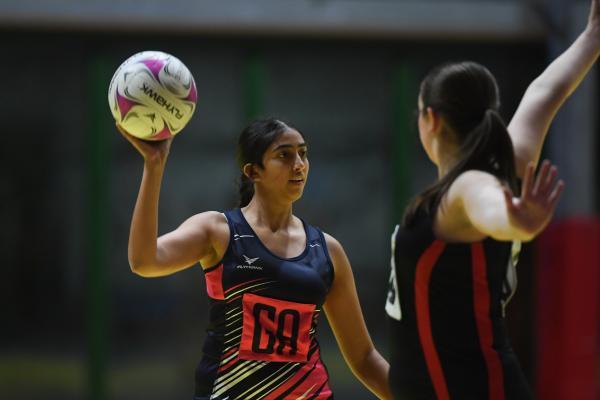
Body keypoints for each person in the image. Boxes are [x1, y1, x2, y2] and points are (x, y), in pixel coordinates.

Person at [385, 1, 600, 399]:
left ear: (430, 119)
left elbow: (489, 206)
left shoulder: (467, 187)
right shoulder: (507, 161)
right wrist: (591, 38)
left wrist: (517, 222)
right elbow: (544, 91)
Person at [118, 118, 391, 400]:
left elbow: (365, 358)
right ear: (253, 171)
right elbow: (144, 260)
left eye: (303, 153)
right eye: (284, 155)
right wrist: (154, 164)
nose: (299, 164)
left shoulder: (328, 250)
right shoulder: (218, 231)